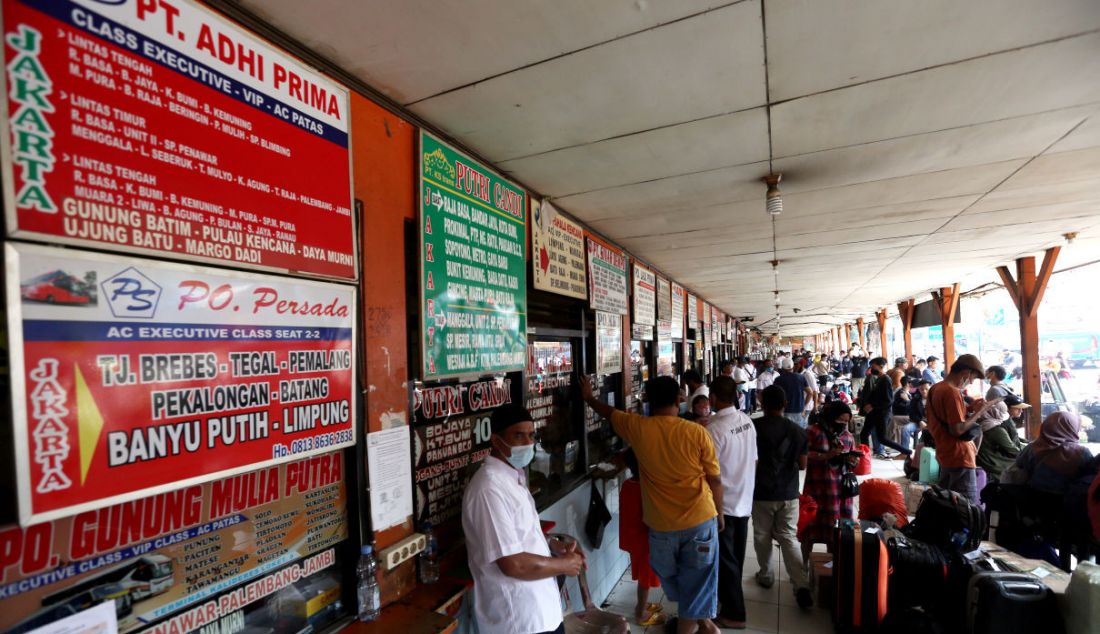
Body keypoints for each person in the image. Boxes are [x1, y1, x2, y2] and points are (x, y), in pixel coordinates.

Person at [580, 376, 723, 634]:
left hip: (662, 527)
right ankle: (702, 623)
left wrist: (589, 397)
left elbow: (609, 412)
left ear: (647, 399)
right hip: (700, 520)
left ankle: (700, 623)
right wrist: (720, 513)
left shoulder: (637, 427)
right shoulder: (696, 432)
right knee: (694, 582)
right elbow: (714, 479)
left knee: (678, 582)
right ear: (679, 399)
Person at [462, 405, 586, 634]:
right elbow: (512, 563)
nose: (528, 443)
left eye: (531, 435)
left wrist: (551, 543)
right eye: (518, 435)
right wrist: (564, 565)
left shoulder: (512, 477)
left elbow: (518, 530)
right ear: (497, 441)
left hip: (541, 610)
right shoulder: (489, 488)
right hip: (519, 620)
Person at [702, 377, 757, 629]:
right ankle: (727, 602)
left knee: (726, 561)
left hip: (723, 504)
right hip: (743, 499)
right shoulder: (746, 421)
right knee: (734, 558)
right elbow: (754, 460)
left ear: (712, 398)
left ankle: (735, 613)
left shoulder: (713, 430)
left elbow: (709, 473)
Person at [751, 385, 812, 608]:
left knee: (761, 535)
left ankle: (766, 575)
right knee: (788, 536)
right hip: (788, 492)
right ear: (785, 405)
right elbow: (803, 464)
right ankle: (801, 584)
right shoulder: (798, 431)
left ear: (761, 404)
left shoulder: (753, 427)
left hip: (761, 492)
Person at [801, 401, 859, 562]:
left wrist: (853, 461)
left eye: (846, 422)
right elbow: (803, 456)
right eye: (840, 421)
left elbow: (852, 462)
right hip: (818, 489)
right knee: (810, 529)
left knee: (836, 532)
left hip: (840, 492)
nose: (843, 425)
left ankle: (832, 570)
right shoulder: (813, 431)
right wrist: (826, 456)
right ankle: (803, 567)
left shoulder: (847, 437)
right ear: (831, 417)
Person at [926, 354, 987, 503]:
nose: (971, 382)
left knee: (947, 503)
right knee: (964, 506)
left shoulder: (936, 388)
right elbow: (957, 429)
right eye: (973, 377)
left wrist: (971, 409)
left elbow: (948, 418)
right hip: (960, 455)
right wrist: (979, 412)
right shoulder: (952, 392)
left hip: (945, 452)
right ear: (966, 373)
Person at [619, 449, 666, 626]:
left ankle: (643, 604)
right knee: (645, 578)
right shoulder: (647, 488)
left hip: (633, 538)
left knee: (642, 573)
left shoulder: (628, 485)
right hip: (645, 540)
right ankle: (640, 613)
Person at [1014, 412, 1095, 495]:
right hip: (1069, 501)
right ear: (1073, 427)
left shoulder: (1032, 447)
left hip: (1034, 497)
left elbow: (1019, 465)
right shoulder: (1082, 452)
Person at [859, 357, 910, 459]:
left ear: (881, 367)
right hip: (874, 412)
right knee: (864, 434)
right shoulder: (879, 379)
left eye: (873, 366)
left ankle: (906, 451)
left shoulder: (886, 380)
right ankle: (865, 455)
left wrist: (872, 405)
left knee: (882, 438)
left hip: (882, 413)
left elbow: (888, 400)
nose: (871, 368)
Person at [975, 402, 1021, 482]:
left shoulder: (982, 422)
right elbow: (1012, 450)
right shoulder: (996, 429)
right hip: (991, 463)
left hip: (981, 460)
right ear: (996, 413)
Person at [774, 356, 813, 428]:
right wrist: (804, 407)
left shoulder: (778, 380)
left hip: (784, 411)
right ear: (793, 367)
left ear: (782, 368)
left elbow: (775, 397)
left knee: (786, 435)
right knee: (799, 434)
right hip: (799, 410)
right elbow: (810, 393)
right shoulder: (801, 377)